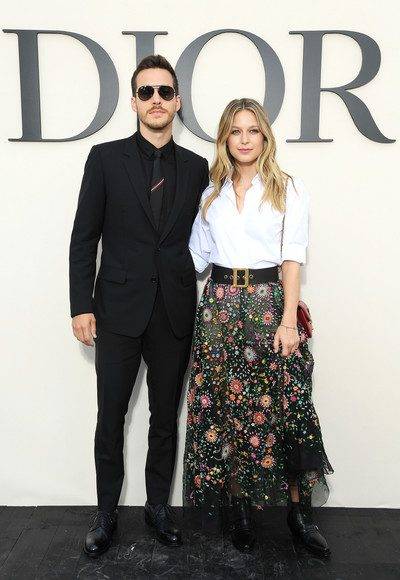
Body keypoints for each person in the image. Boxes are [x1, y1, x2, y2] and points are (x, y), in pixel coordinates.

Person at [69, 54, 209, 557]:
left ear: (177, 102)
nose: (156, 100)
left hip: (174, 311)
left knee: (164, 418)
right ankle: (106, 513)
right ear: (133, 101)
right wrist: (80, 305)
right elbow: (84, 238)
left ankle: (157, 508)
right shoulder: (104, 159)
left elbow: (211, 235)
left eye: (164, 92)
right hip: (116, 310)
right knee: (110, 417)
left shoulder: (197, 168)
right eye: (146, 91)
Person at [183, 97, 334, 557]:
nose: (244, 139)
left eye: (252, 130)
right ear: (225, 139)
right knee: (227, 411)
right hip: (219, 310)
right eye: (235, 131)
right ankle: (240, 510)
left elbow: (292, 259)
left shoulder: (287, 188)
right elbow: (194, 259)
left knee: (287, 408)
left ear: (265, 136)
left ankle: (299, 513)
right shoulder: (211, 194)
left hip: (270, 307)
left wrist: (289, 320)